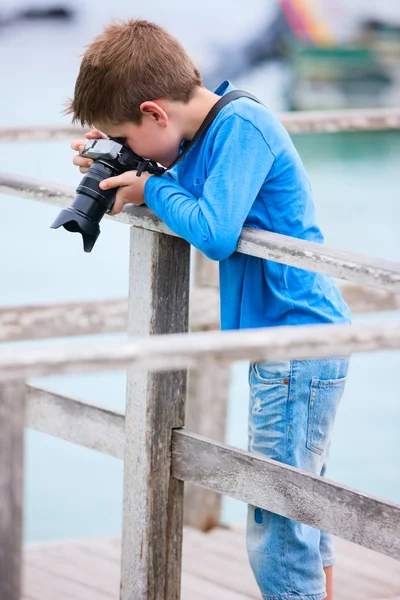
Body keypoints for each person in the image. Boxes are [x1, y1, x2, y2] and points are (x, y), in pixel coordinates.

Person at [68, 19, 351, 600]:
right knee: (302, 506)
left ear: (155, 112)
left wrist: (149, 189)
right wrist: (120, 158)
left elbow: (215, 232)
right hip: (296, 343)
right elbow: (190, 183)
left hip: (295, 345)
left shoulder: (242, 128)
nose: (133, 148)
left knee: (277, 521)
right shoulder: (211, 132)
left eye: (130, 134)